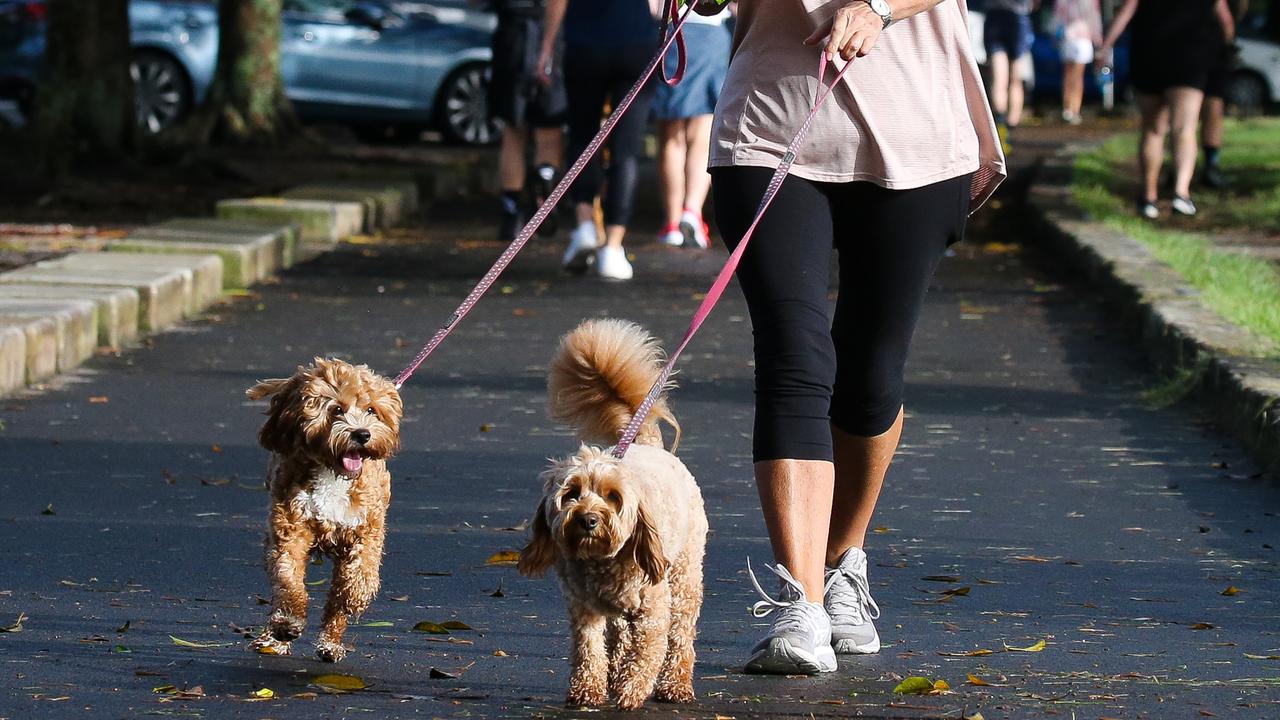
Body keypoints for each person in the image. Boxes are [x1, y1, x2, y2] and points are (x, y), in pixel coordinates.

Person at [704, 0, 1005, 674]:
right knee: (793, 356)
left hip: (915, 132)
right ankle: (800, 601)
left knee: (870, 373)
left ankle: (843, 561)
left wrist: (880, 8)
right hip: (770, 120)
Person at [536, 0, 661, 281]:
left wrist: (546, 48)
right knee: (626, 151)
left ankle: (584, 226)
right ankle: (613, 247)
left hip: (585, 43)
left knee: (582, 137)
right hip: (635, 41)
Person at [1098, 0, 1235, 219]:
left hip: (1149, 54)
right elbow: (1225, 19)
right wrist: (1227, 49)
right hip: (1190, 56)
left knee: (1152, 129)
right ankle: (1181, 194)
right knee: (1184, 129)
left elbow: (1126, 10)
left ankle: (1149, 198)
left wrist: (1105, 47)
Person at [481, 0, 568, 241]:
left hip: (513, 34)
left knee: (514, 131)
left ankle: (512, 213)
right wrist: (549, 47)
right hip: (548, 30)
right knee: (547, 130)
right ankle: (543, 204)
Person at [652, 5, 733, 250]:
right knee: (703, 128)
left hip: (673, 33)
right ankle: (692, 212)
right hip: (711, 35)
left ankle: (673, 223)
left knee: (671, 135)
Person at [1199, 0, 1247, 189]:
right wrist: (1229, 46)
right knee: (1213, 105)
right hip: (1212, 49)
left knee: (1176, 113)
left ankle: (1175, 170)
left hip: (1176, 48)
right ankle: (1211, 165)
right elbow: (1228, 17)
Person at [983, 0, 1036, 141]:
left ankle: (1001, 123)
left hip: (997, 17)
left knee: (1000, 77)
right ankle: (1010, 126)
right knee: (1015, 79)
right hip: (1017, 18)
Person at [1053, 0, 1103, 125]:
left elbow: (1057, 18)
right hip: (1083, 39)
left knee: (1068, 76)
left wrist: (1054, 37)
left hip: (1068, 37)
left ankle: (1067, 108)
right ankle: (1075, 109)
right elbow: (1094, 18)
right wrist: (1098, 39)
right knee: (1078, 77)